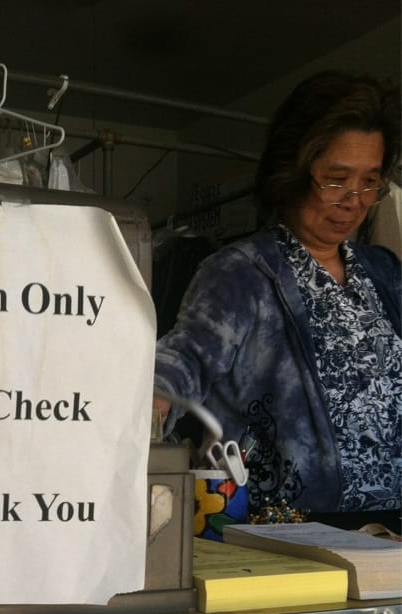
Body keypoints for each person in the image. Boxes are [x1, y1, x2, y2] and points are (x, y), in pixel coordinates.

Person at [153, 71, 401, 517]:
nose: (354, 200)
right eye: (336, 179)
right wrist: (147, 401)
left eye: (369, 182)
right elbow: (184, 359)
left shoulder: (384, 273)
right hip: (287, 538)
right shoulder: (241, 274)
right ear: (292, 172)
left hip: (390, 540)